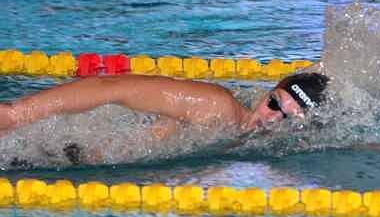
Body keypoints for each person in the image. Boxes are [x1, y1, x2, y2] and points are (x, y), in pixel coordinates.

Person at [0, 72, 330, 141]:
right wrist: (19, 114)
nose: (270, 117)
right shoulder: (217, 107)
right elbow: (114, 87)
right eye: (274, 103)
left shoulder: (231, 136)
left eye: (286, 117)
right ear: (266, 93)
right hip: (47, 144)